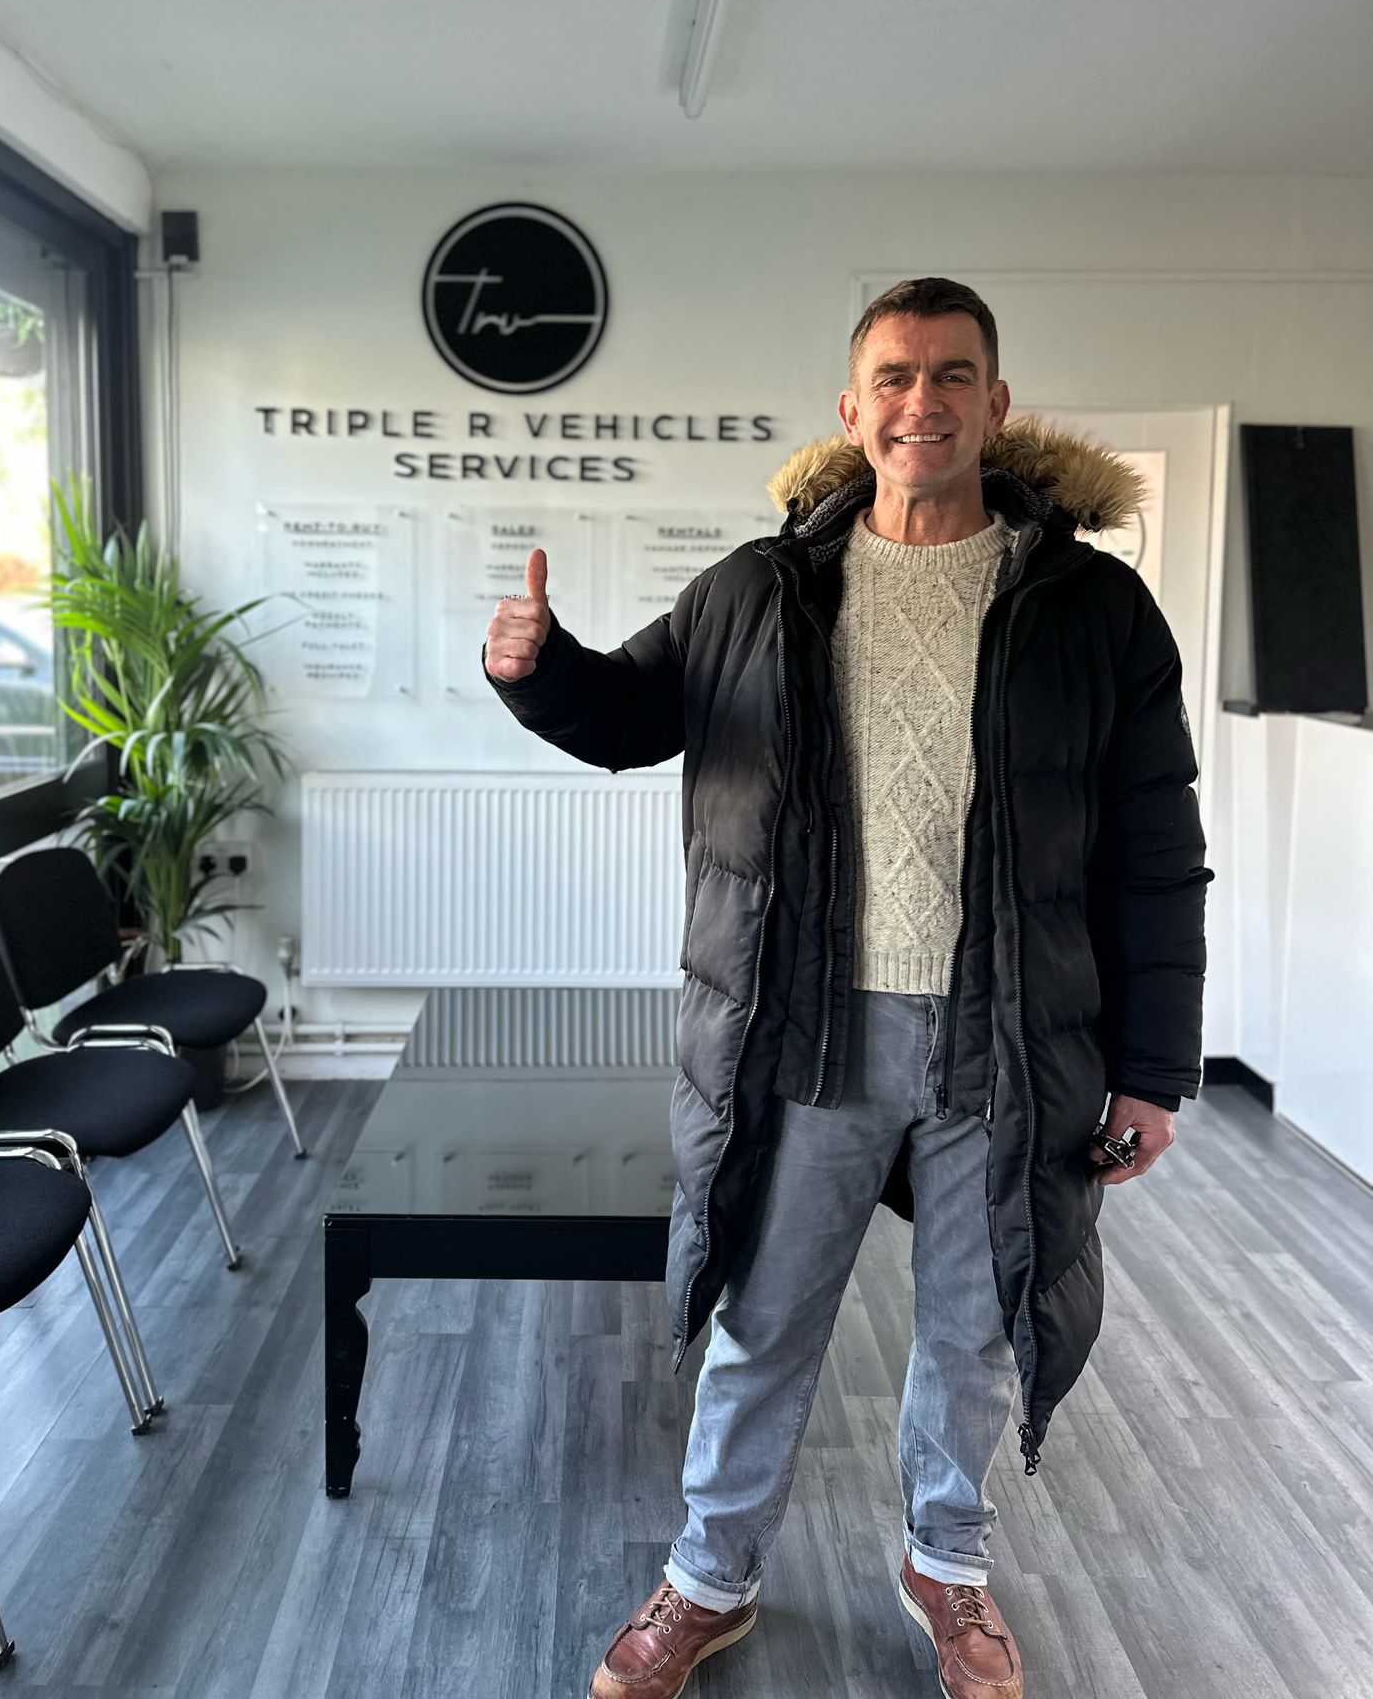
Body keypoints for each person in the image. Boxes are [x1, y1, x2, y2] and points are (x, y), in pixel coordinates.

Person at [482, 276, 1212, 1699]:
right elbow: (629, 716)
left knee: (976, 1328)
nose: (920, 401)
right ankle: (710, 1576)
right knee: (766, 1321)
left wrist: (1154, 1068)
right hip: (805, 1032)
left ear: (996, 406)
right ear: (852, 409)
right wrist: (536, 671)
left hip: (1009, 1039)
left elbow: (1157, 851)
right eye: (893, 376)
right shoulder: (758, 588)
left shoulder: (1094, 611)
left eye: (950, 376)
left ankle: (947, 1565)